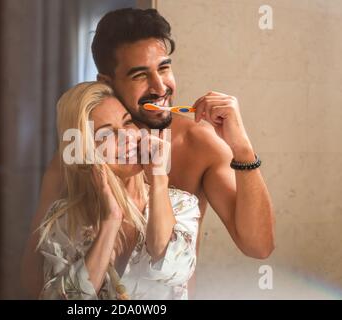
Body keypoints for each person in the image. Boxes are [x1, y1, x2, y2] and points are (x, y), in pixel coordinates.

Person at [22, 8, 275, 298]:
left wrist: (241, 146)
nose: (160, 87)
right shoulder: (76, 159)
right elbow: (33, 276)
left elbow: (259, 246)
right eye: (141, 75)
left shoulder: (198, 144)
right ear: (106, 82)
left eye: (164, 68)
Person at [37, 81, 200, 300]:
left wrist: (159, 179)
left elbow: (173, 269)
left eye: (128, 122)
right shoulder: (65, 219)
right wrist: (110, 222)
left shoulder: (183, 205)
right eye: (106, 135)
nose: (127, 137)